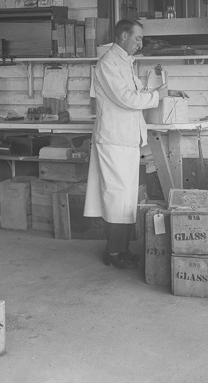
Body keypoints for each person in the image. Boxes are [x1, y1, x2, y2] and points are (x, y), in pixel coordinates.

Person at [84, 19, 167, 269]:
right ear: (122, 36)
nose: (140, 43)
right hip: (114, 139)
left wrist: (166, 93)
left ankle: (122, 248)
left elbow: (140, 91)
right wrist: (156, 97)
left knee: (126, 197)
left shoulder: (125, 63)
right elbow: (126, 98)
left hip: (127, 138)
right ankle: (113, 252)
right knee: (117, 197)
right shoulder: (108, 63)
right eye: (137, 38)